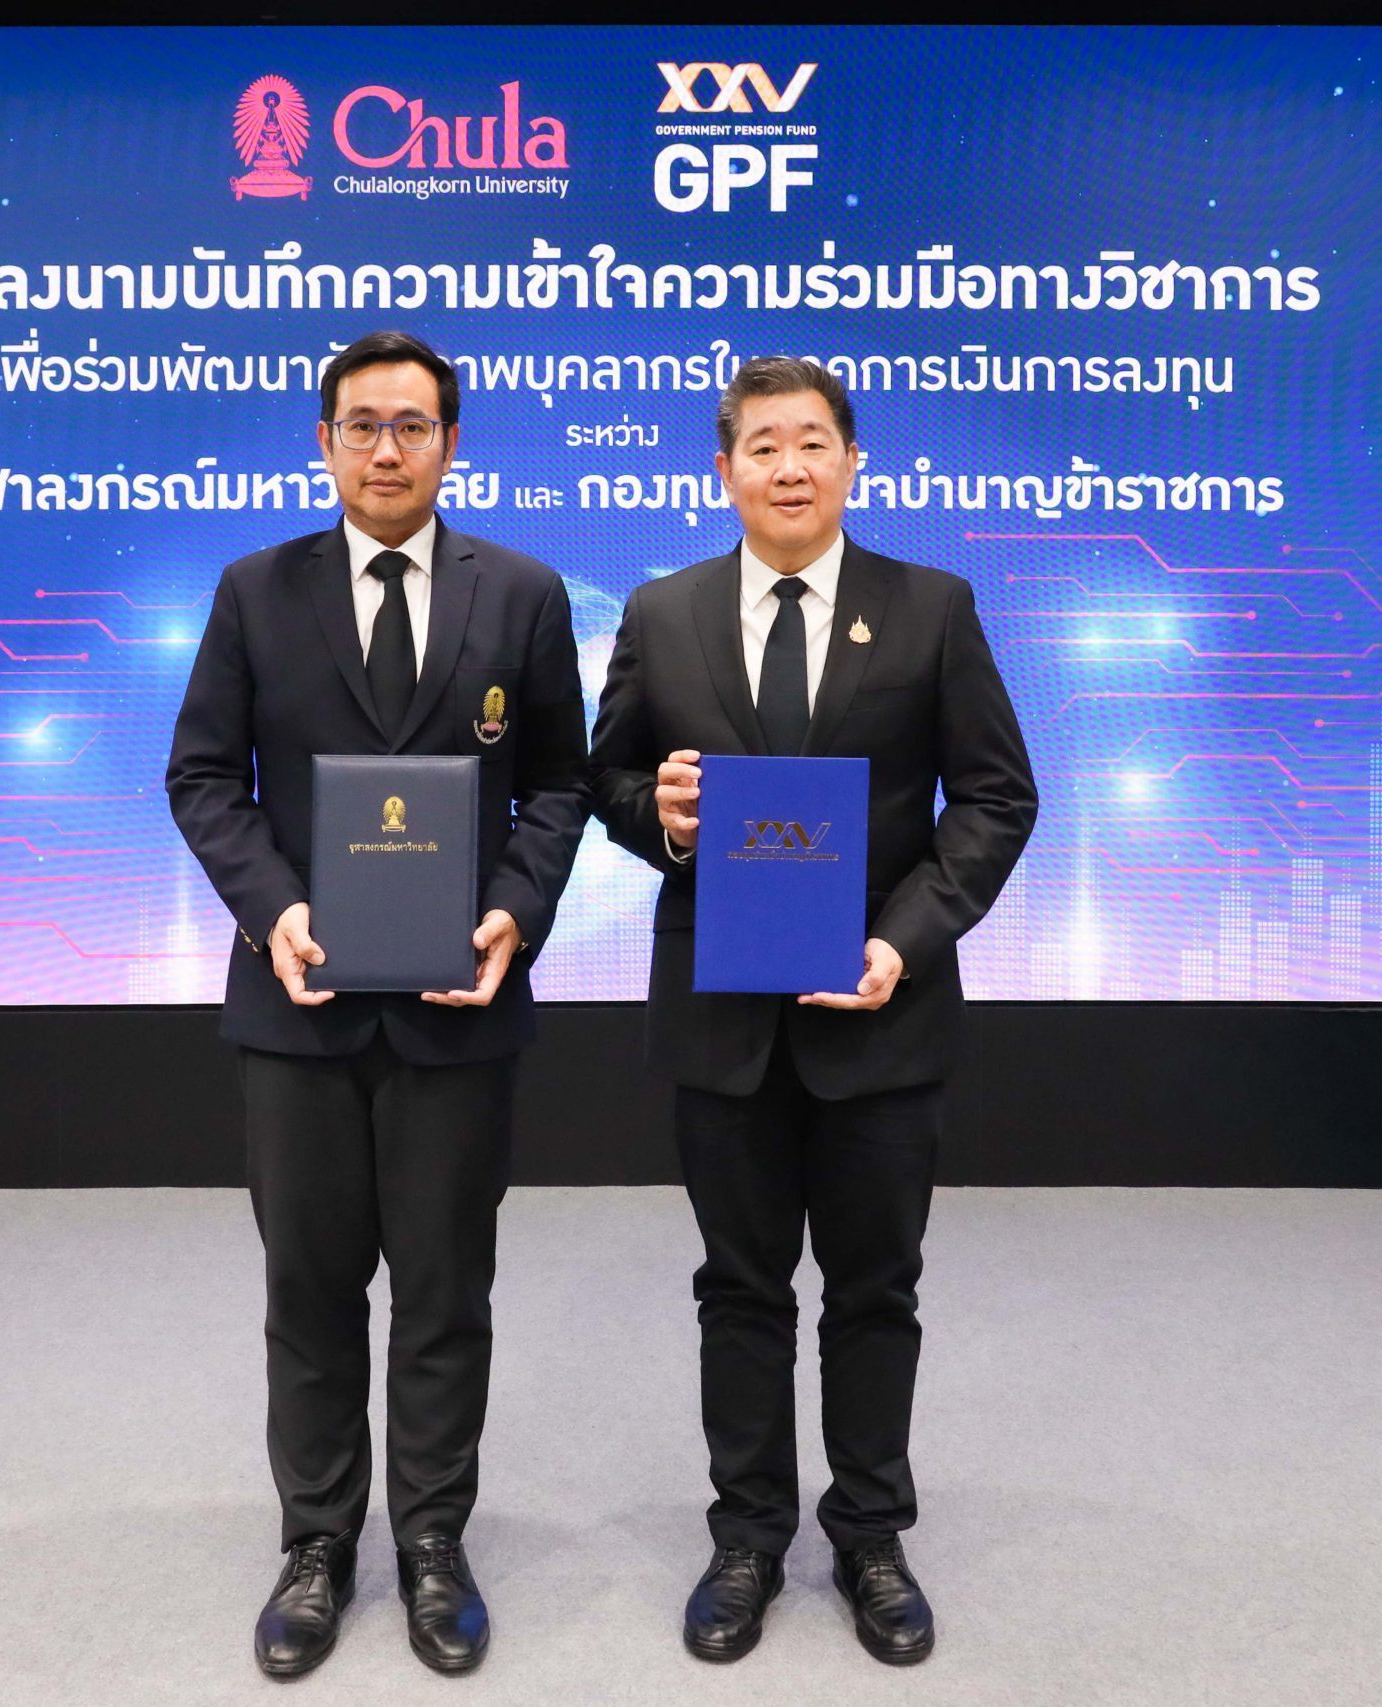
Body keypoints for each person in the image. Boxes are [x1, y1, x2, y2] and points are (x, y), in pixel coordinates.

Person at [586, 357, 1038, 1667]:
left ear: (852, 462)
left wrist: (903, 942)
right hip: (721, 1017)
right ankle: (745, 1538)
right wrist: (663, 818)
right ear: (723, 470)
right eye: (762, 445)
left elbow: (996, 797)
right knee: (738, 1287)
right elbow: (609, 778)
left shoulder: (931, 607)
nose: (788, 466)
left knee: (875, 1289)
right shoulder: (663, 612)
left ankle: (872, 1535)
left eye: (812, 442)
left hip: (879, 1012)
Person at [165, 329, 588, 1680]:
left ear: (451, 444)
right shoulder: (255, 590)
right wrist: (274, 909)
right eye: (362, 425)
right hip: (299, 1005)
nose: (387, 449)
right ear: (326, 442)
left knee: (447, 1291)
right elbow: (204, 778)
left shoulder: (521, 593)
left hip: (460, 1007)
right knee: (309, 1289)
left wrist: (515, 909)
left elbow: (561, 783)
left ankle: (433, 1543)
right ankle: (316, 1545)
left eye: (413, 426)